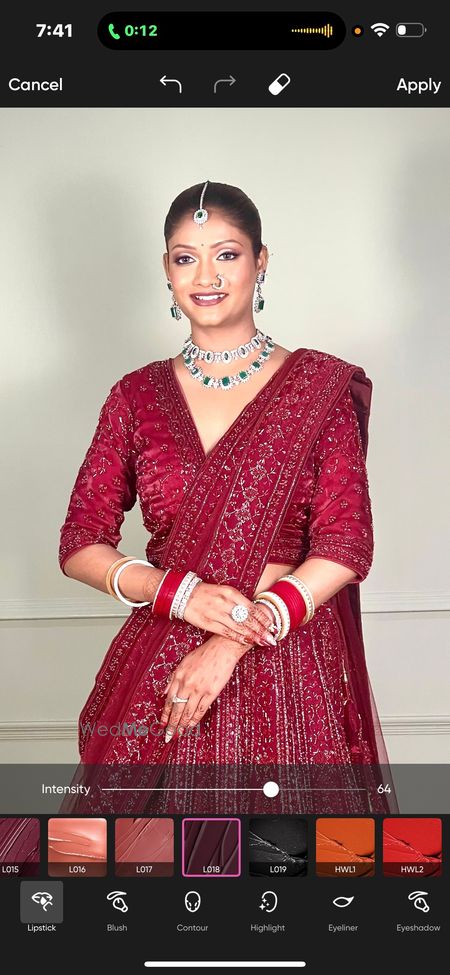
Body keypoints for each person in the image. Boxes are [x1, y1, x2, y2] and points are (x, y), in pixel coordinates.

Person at [58, 180, 397, 814]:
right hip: (165, 670)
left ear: (261, 261)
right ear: (166, 269)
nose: (205, 276)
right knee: (142, 864)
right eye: (186, 257)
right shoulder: (135, 397)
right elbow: (80, 542)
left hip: (290, 666)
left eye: (227, 254)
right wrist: (180, 594)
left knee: (290, 861)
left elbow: (346, 544)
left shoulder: (318, 388)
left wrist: (235, 636)